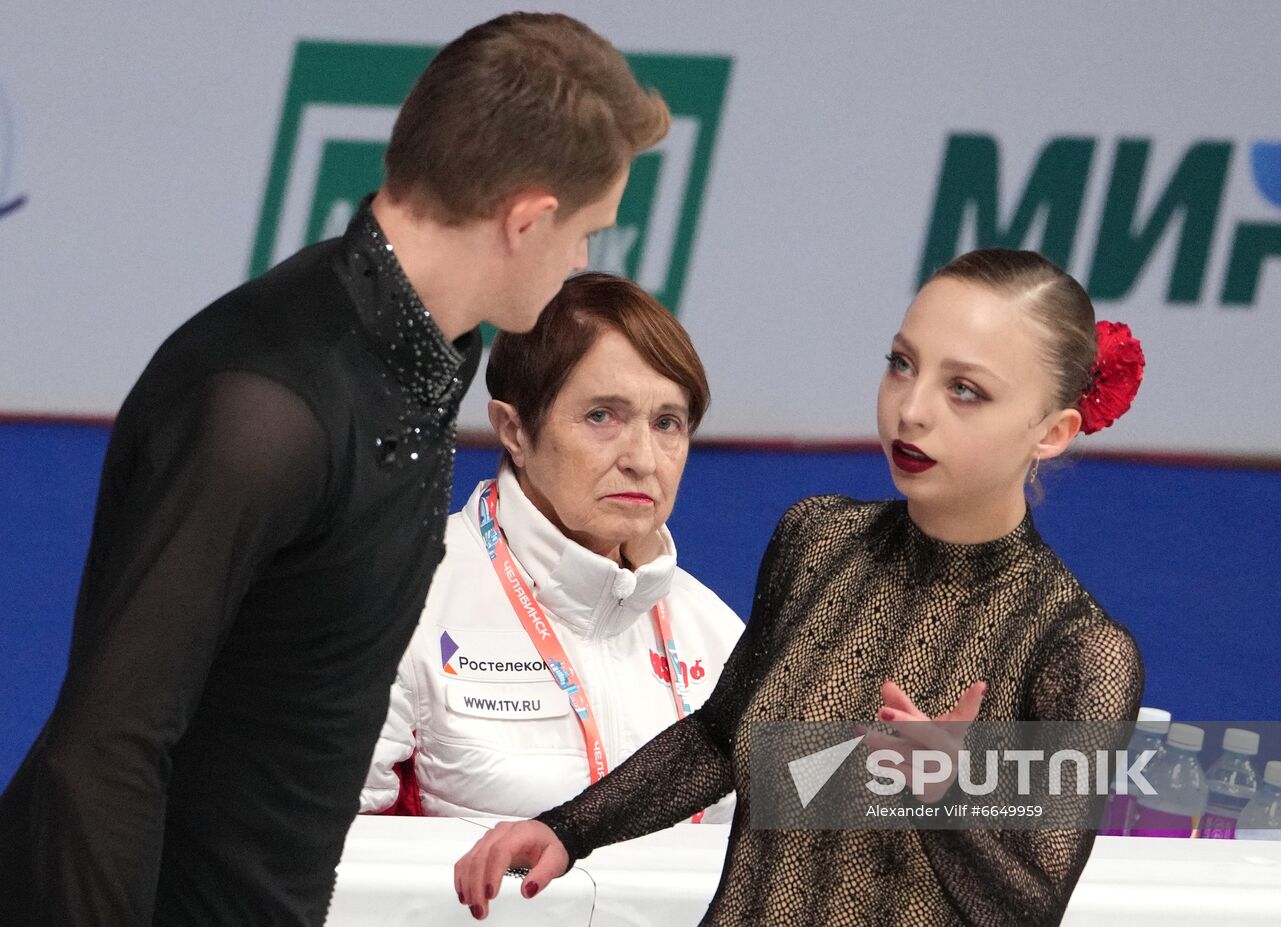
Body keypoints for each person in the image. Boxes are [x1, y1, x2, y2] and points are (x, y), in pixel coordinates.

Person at [0, 13, 669, 926]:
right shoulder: (264, 405)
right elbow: (99, 757)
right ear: (528, 219)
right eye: (591, 231)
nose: (585, 261)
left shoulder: (416, 361)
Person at [453, 248, 1147, 925]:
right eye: (902, 365)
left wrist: (947, 798)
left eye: (964, 389)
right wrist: (569, 830)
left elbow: (1032, 905)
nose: (912, 410)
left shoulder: (1077, 648)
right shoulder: (818, 538)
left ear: (1053, 433)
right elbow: (719, 741)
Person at [360, 273, 742, 821]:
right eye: (601, 416)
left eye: (667, 423)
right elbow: (305, 850)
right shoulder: (397, 599)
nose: (643, 458)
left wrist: (909, 763)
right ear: (514, 431)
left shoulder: (720, 635)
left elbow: (840, 812)